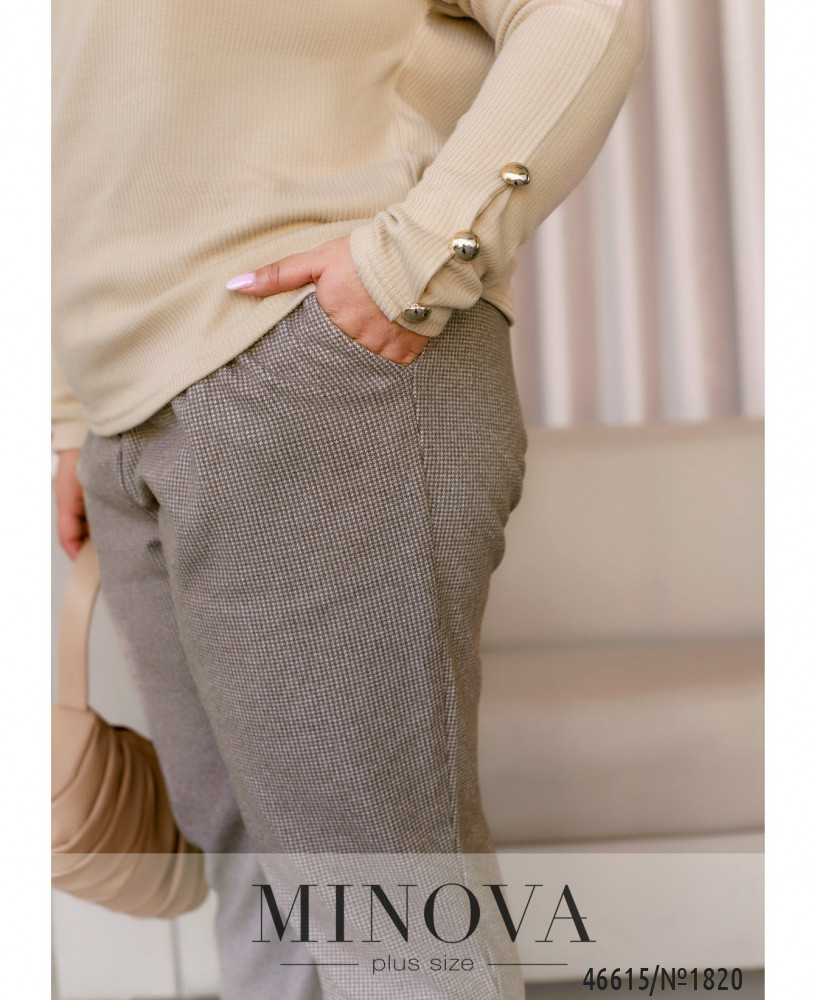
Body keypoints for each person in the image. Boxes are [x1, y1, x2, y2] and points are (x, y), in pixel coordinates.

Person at [53, 1, 648, 997]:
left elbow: (580, 14)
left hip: (301, 365)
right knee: (252, 880)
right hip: (126, 412)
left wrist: (415, 256)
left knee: (384, 914)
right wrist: (69, 413)